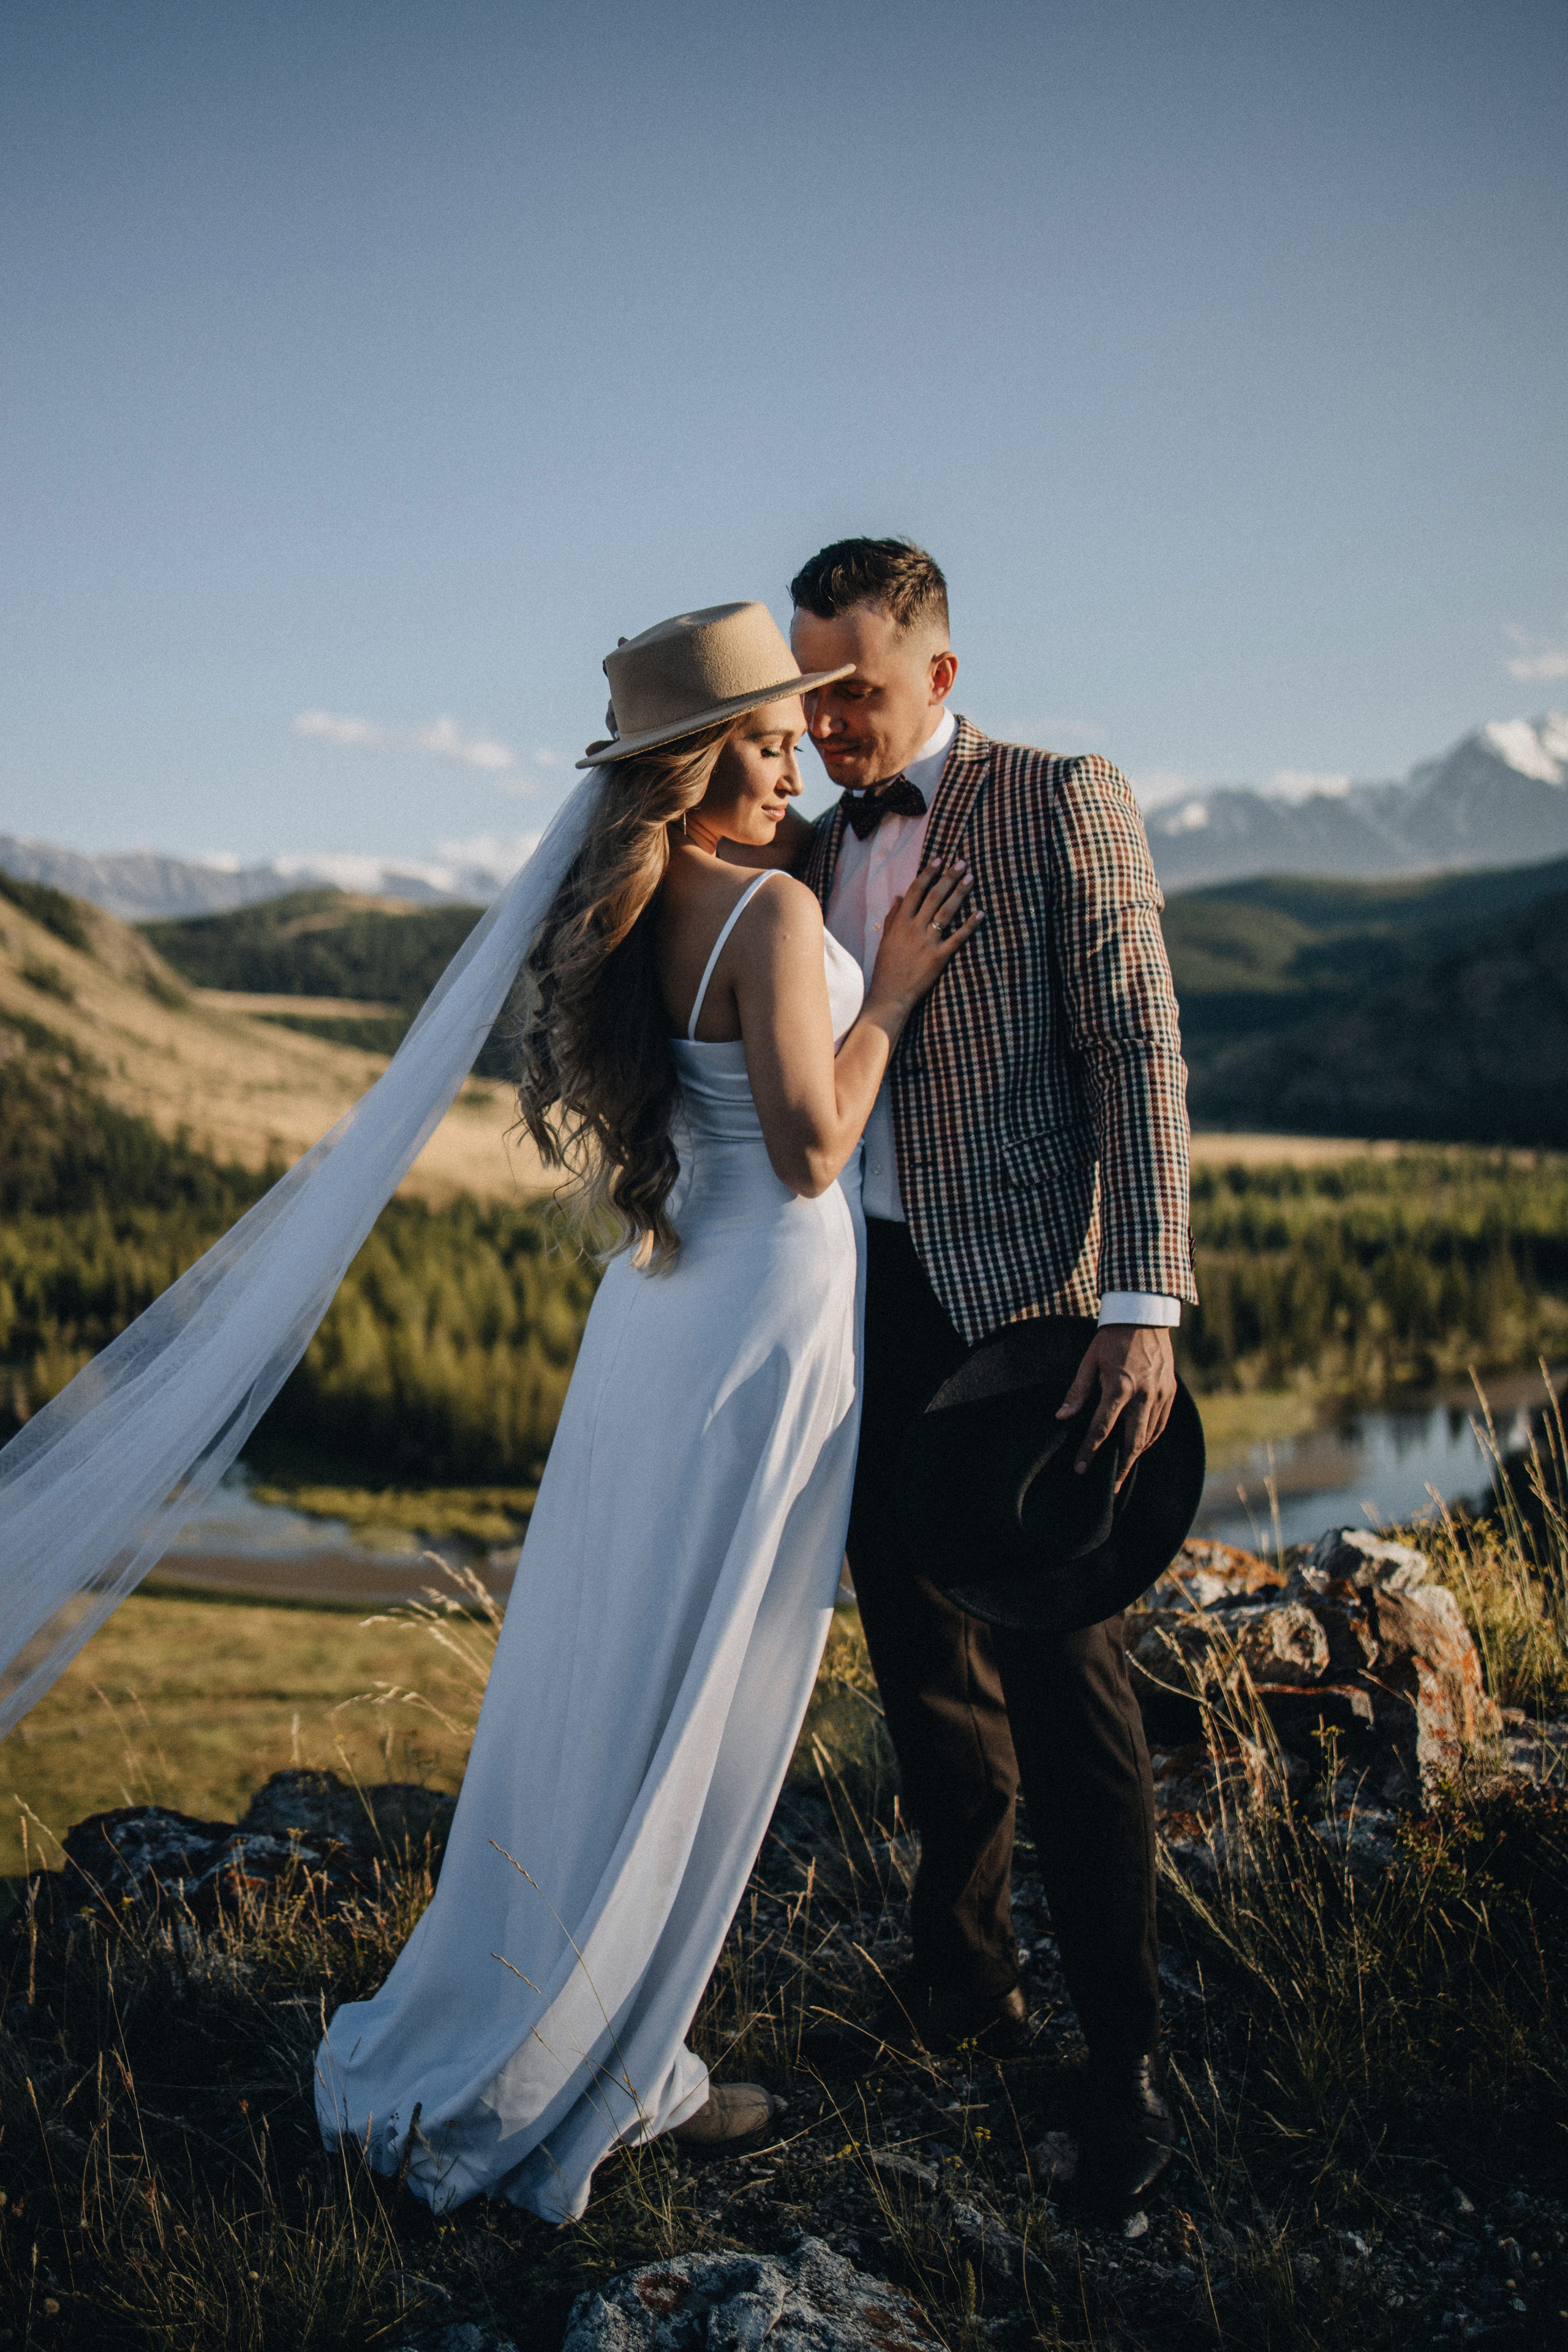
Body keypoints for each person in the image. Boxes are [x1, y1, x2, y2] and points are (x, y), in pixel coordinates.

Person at [314, 601, 978, 2222]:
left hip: (667, 1313)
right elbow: (816, 1148)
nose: (793, 757)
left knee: (618, 1663)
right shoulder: (756, 911)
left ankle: (576, 2007)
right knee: (706, 1682)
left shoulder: (641, 902)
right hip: (764, 1311)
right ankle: (606, 2064)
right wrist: (887, 990)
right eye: (764, 734)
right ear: (699, 763)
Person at [781, 538, 1196, 2206]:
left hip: (1030, 1323)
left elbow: (1134, 1044)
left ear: (940, 676)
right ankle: (962, 1974)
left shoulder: (1060, 797)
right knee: (922, 1669)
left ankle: (1125, 2056)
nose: (826, 724)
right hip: (850, 1315)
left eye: (856, 690)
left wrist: (1144, 1301)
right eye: (807, 691)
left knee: (1070, 1686)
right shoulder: (807, 847)